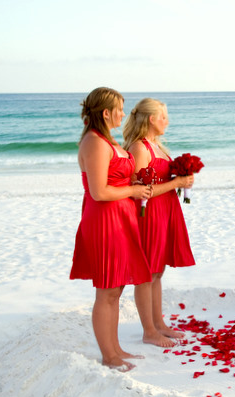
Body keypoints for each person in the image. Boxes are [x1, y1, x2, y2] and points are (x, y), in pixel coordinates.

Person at [70, 87, 152, 372]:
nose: (123, 113)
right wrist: (132, 189)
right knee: (106, 290)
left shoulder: (108, 140)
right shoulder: (94, 142)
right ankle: (108, 355)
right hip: (104, 220)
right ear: (106, 113)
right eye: (119, 108)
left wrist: (138, 186)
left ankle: (115, 348)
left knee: (116, 288)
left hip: (122, 217)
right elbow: (99, 192)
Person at [124, 98, 196, 348]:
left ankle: (159, 324)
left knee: (157, 272)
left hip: (166, 211)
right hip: (149, 214)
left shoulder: (157, 146)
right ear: (152, 119)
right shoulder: (140, 148)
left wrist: (183, 180)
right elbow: (139, 190)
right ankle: (148, 331)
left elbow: (163, 179)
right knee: (146, 273)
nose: (168, 121)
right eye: (164, 117)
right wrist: (176, 184)